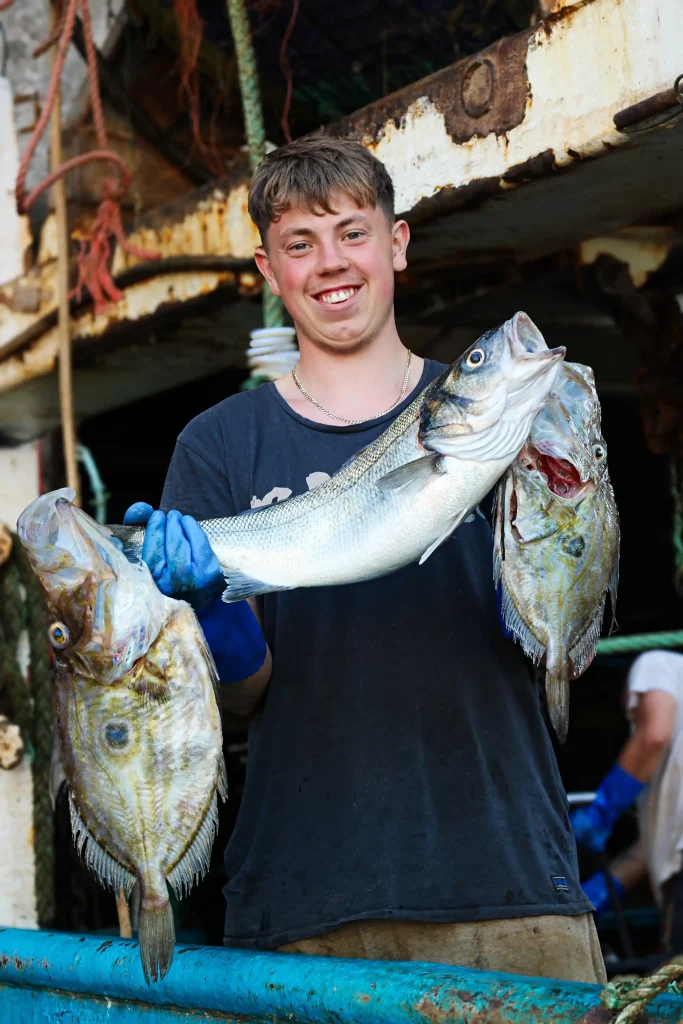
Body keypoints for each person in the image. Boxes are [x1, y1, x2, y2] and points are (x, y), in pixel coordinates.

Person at [123, 132, 605, 983]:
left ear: (397, 242)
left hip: (511, 883)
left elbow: (563, 634)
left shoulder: (519, 421)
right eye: (299, 244)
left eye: (351, 231)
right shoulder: (220, 444)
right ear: (269, 273)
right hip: (302, 901)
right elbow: (238, 698)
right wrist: (207, 608)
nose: (330, 262)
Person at [571, 649, 683, 951]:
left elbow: (654, 734)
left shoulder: (656, 664)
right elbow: (649, 853)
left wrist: (602, 810)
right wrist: (595, 895)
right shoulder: (669, 780)